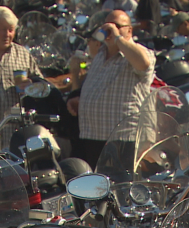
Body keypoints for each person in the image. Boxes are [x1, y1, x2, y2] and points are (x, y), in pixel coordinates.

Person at [66, 10, 155, 167]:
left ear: (129, 30)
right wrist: (81, 100)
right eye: (108, 26)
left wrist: (118, 39)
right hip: (93, 136)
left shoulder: (137, 52)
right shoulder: (101, 54)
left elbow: (143, 63)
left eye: (117, 26)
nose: (111, 30)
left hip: (122, 139)